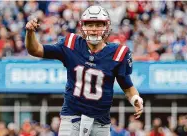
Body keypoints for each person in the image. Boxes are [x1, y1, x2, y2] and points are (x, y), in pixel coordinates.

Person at [25, 5, 143, 136]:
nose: (93, 30)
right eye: (89, 25)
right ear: (82, 26)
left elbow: (127, 86)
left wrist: (135, 99)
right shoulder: (71, 43)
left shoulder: (118, 53)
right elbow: (35, 50)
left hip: (101, 122)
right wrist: (30, 33)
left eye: (98, 25)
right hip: (72, 118)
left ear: (106, 27)